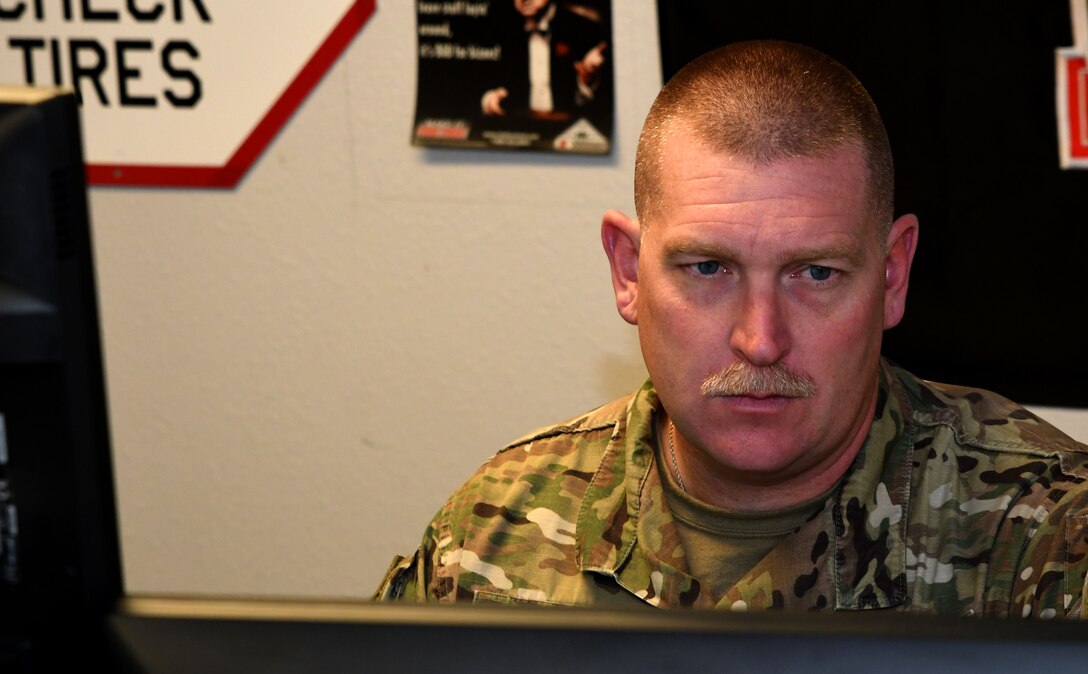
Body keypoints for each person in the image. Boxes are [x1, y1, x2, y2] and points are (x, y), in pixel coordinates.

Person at [376, 40, 1088, 617]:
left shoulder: (1045, 542)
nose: (760, 339)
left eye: (815, 274)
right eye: (708, 268)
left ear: (893, 276)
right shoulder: (493, 532)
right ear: (628, 272)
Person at [479, 0, 608, 120]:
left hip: (570, 129)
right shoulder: (498, 27)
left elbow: (604, 108)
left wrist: (588, 79)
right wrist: (489, 98)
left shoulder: (585, 28)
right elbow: (474, 77)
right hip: (518, 129)